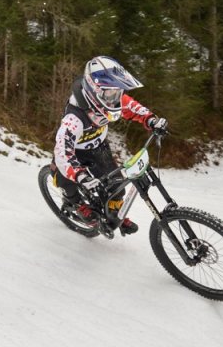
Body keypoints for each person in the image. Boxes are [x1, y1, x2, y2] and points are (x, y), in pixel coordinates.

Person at [53, 56, 168, 235]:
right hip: (74, 152)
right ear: (95, 90)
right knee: (64, 179)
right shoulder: (74, 119)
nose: (115, 98)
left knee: (116, 185)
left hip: (98, 147)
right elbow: (63, 154)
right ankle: (75, 204)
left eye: (118, 92)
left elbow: (129, 106)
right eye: (111, 93)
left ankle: (115, 215)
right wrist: (80, 175)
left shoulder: (108, 98)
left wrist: (150, 119)